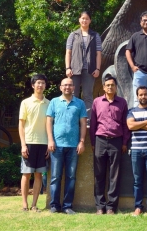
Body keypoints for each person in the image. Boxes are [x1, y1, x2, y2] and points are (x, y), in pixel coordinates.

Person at [90, 73, 130, 215]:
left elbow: (125, 124)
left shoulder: (122, 103)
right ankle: (100, 206)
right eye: (108, 85)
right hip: (100, 140)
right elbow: (93, 123)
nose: (110, 87)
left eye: (112, 85)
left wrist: (124, 142)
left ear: (116, 87)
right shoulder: (97, 102)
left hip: (116, 141)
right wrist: (93, 143)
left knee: (115, 175)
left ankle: (111, 206)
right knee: (99, 174)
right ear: (104, 87)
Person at [46, 77, 87, 214]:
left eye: (70, 85)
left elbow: (83, 124)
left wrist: (81, 141)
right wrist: (50, 140)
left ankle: (67, 206)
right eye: (65, 85)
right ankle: (54, 205)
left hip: (73, 146)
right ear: (60, 87)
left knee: (71, 176)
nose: (67, 87)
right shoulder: (54, 102)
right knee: (55, 177)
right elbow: (48, 122)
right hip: (56, 145)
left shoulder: (80, 103)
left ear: (74, 87)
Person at [127, 86, 147, 216]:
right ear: (137, 96)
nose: (143, 97)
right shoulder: (131, 111)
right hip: (135, 150)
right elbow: (130, 126)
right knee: (137, 180)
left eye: (145, 94)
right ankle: (138, 207)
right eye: (140, 95)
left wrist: (138, 124)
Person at [18, 74, 49, 212]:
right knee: (26, 174)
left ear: (45, 85)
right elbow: (21, 125)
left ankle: (34, 204)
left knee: (39, 175)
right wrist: (23, 145)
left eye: (42, 83)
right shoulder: (25, 102)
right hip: (29, 142)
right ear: (33, 85)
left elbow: (50, 125)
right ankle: (24, 204)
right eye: (38, 83)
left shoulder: (49, 103)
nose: (40, 85)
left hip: (43, 143)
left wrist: (49, 143)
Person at [65, 11, 102, 125]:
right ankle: (73, 118)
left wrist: (97, 69)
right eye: (82, 18)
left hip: (89, 70)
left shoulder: (95, 35)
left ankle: (87, 119)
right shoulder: (73, 35)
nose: (84, 20)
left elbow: (98, 53)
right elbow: (68, 52)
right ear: (79, 20)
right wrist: (67, 67)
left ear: (90, 20)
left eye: (87, 18)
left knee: (87, 95)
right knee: (73, 94)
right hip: (75, 69)